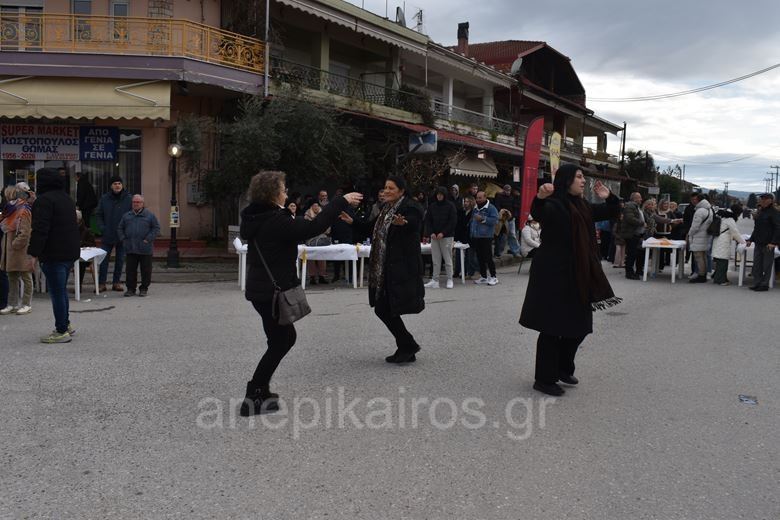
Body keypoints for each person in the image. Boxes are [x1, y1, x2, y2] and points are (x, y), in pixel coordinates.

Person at [239, 170, 362, 416]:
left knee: (282, 339)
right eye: (283, 190)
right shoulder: (275, 220)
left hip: (262, 290)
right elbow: (313, 226)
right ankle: (253, 395)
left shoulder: (257, 217)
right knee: (281, 341)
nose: (286, 194)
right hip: (271, 292)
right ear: (273, 194)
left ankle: (260, 389)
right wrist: (341, 201)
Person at [520, 163, 621, 396]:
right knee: (552, 327)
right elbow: (540, 212)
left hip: (577, 274)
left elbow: (611, 211)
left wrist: (609, 197)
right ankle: (544, 379)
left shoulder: (583, 205)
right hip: (553, 274)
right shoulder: (554, 204)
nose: (583, 181)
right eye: (579, 177)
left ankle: (563, 368)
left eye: (583, 177)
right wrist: (540, 197)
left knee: (580, 325)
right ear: (566, 180)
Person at [341, 175, 425, 363]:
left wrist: (404, 223)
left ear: (401, 191)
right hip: (384, 266)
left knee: (384, 308)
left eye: (391, 188)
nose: (386, 191)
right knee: (383, 308)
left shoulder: (410, 207)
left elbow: (414, 222)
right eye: (385, 187)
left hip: (400, 266)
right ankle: (407, 346)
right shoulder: (385, 209)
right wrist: (352, 221)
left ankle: (407, 345)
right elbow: (369, 228)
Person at [28, 168, 80, 343]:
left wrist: (33, 254)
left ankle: (61, 331)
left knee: (57, 293)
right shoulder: (66, 198)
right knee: (61, 291)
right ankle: (66, 323)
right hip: (69, 252)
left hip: (53, 253)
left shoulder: (44, 200)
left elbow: (40, 229)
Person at [0, 185, 34, 315]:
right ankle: (12, 303)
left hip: (20, 249)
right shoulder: (9, 210)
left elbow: (25, 232)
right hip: (10, 249)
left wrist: (15, 244)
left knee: (26, 276)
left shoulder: (23, 210)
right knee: (12, 277)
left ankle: (26, 304)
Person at [117, 195, 161, 297]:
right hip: (131, 248)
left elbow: (156, 228)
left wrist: (148, 239)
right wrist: (123, 239)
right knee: (130, 270)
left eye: (138, 202)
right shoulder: (126, 216)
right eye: (134, 202)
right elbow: (120, 228)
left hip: (145, 248)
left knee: (146, 270)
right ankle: (130, 289)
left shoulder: (149, 215)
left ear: (142, 204)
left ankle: (144, 288)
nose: (136, 204)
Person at [96, 175, 132, 292]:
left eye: (119, 183)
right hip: (108, 233)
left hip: (122, 234)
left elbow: (132, 215)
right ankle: (102, 283)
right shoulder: (105, 198)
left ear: (122, 185)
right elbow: (98, 214)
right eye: (115, 184)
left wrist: (128, 230)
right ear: (111, 186)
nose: (117, 185)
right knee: (103, 259)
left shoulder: (128, 198)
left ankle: (116, 282)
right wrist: (102, 228)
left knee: (120, 260)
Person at [423, 186, 457, 289]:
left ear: (444, 195)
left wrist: (443, 233)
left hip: (446, 237)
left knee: (447, 258)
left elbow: (452, 222)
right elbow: (428, 221)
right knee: (435, 259)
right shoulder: (432, 206)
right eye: (438, 194)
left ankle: (450, 279)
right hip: (434, 237)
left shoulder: (450, 206)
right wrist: (431, 233)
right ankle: (435, 280)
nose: (439, 196)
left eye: (441, 194)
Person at [746, 193, 780, 291]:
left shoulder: (774, 212)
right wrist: (751, 239)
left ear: (771, 200)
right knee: (757, 265)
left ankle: (764, 284)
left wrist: (773, 242)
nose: (763, 200)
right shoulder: (760, 212)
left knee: (766, 265)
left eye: (765, 199)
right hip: (758, 242)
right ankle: (757, 283)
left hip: (768, 243)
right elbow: (756, 228)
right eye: (762, 199)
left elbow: (778, 228)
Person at [469, 191, 499, 285]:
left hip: (486, 236)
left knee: (488, 257)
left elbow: (495, 220)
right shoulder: (476, 208)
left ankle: (493, 276)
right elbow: (473, 221)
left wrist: (483, 219)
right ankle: (483, 276)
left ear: (485, 197)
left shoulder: (491, 208)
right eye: (477, 198)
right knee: (480, 257)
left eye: (480, 198)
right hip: (476, 236)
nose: (478, 200)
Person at [712, 205, 745, 286]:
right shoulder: (730, 219)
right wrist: (744, 242)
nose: (739, 216)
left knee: (719, 261)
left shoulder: (724, 216)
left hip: (718, 239)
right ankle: (721, 280)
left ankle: (718, 277)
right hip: (723, 241)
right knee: (723, 262)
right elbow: (735, 232)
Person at [687, 193, 713, 283]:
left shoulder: (700, 211)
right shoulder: (709, 209)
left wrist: (690, 234)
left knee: (699, 257)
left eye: (695, 199)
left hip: (698, 237)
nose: (694, 201)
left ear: (698, 200)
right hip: (706, 236)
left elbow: (695, 226)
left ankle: (701, 275)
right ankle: (704, 274)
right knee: (704, 256)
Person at [619, 192, 646, 279]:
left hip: (636, 233)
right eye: (639, 197)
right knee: (631, 253)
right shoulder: (630, 206)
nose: (641, 199)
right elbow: (630, 218)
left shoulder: (636, 206)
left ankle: (636, 271)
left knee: (636, 253)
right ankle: (629, 273)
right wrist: (642, 223)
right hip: (631, 234)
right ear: (635, 198)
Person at [303, 203, 330, 285]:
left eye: (317, 206)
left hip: (321, 239)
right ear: (311, 207)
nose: (316, 207)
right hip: (311, 239)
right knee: (311, 258)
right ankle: (312, 277)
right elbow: (307, 228)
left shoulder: (324, 215)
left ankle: (322, 276)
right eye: (314, 206)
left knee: (322, 257)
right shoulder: (306, 216)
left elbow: (328, 230)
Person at [493, 184, 521, 257]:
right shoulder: (499, 196)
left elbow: (515, 207)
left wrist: (513, 216)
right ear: (503, 190)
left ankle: (515, 251)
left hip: (510, 219)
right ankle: (499, 252)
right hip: (502, 219)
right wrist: (502, 211)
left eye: (509, 190)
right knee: (502, 236)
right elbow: (497, 206)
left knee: (512, 235)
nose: (508, 192)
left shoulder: (512, 197)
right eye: (506, 190)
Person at [76, 209, 97, 286]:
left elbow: (93, 244)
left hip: (84, 256)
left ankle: (79, 285)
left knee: (81, 264)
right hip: (72, 254)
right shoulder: (69, 229)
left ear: (78, 219)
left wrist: (82, 243)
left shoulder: (86, 230)